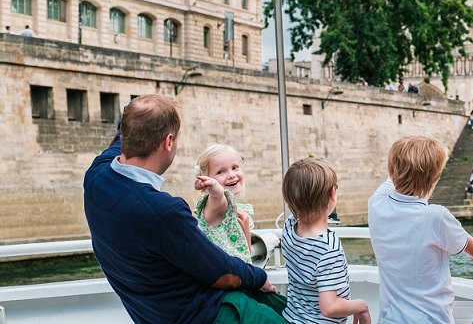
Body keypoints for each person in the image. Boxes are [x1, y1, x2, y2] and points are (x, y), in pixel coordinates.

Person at [83, 94, 285, 324]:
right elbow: (221, 273)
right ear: (168, 142)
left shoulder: (96, 176)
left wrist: (136, 117)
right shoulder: (162, 211)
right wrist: (258, 277)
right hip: (208, 314)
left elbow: (120, 137)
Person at [368, 136, 473, 323]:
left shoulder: (376, 203)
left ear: (391, 169)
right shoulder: (435, 217)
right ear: (436, 177)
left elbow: (391, 178)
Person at [280, 158, 370, 324]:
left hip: (292, 318)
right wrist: (361, 306)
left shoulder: (289, 226)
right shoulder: (329, 248)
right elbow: (329, 307)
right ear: (332, 194)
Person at [194, 144, 254, 263]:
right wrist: (213, 186)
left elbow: (245, 253)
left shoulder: (239, 211)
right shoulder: (214, 206)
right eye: (221, 172)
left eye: (235, 167)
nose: (232, 175)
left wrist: (246, 233)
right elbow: (217, 195)